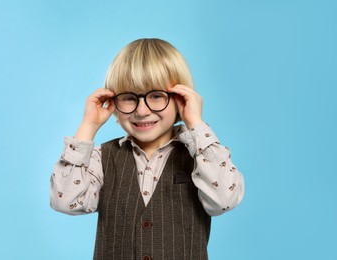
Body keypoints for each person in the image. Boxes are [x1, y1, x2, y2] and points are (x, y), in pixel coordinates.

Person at [50, 38, 244, 260]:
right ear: (114, 101)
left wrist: (196, 125)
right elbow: (65, 201)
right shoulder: (101, 158)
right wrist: (88, 125)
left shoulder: (201, 156)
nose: (142, 111)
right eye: (129, 98)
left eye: (156, 96)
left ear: (180, 98)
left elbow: (224, 200)